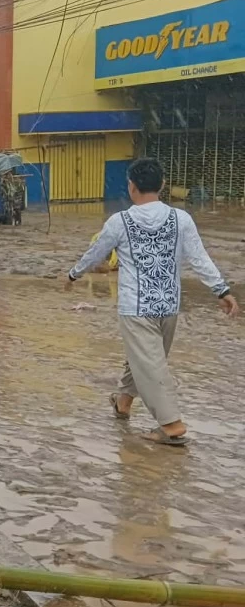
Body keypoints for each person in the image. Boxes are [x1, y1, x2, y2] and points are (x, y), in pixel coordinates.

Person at [68, 157, 238, 446]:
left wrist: (73, 275)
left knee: (150, 363)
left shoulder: (119, 222)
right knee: (145, 359)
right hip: (169, 306)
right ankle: (123, 402)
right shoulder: (181, 219)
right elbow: (199, 258)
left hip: (135, 308)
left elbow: (95, 253)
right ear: (162, 185)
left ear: (131, 187)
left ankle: (171, 425)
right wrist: (221, 290)